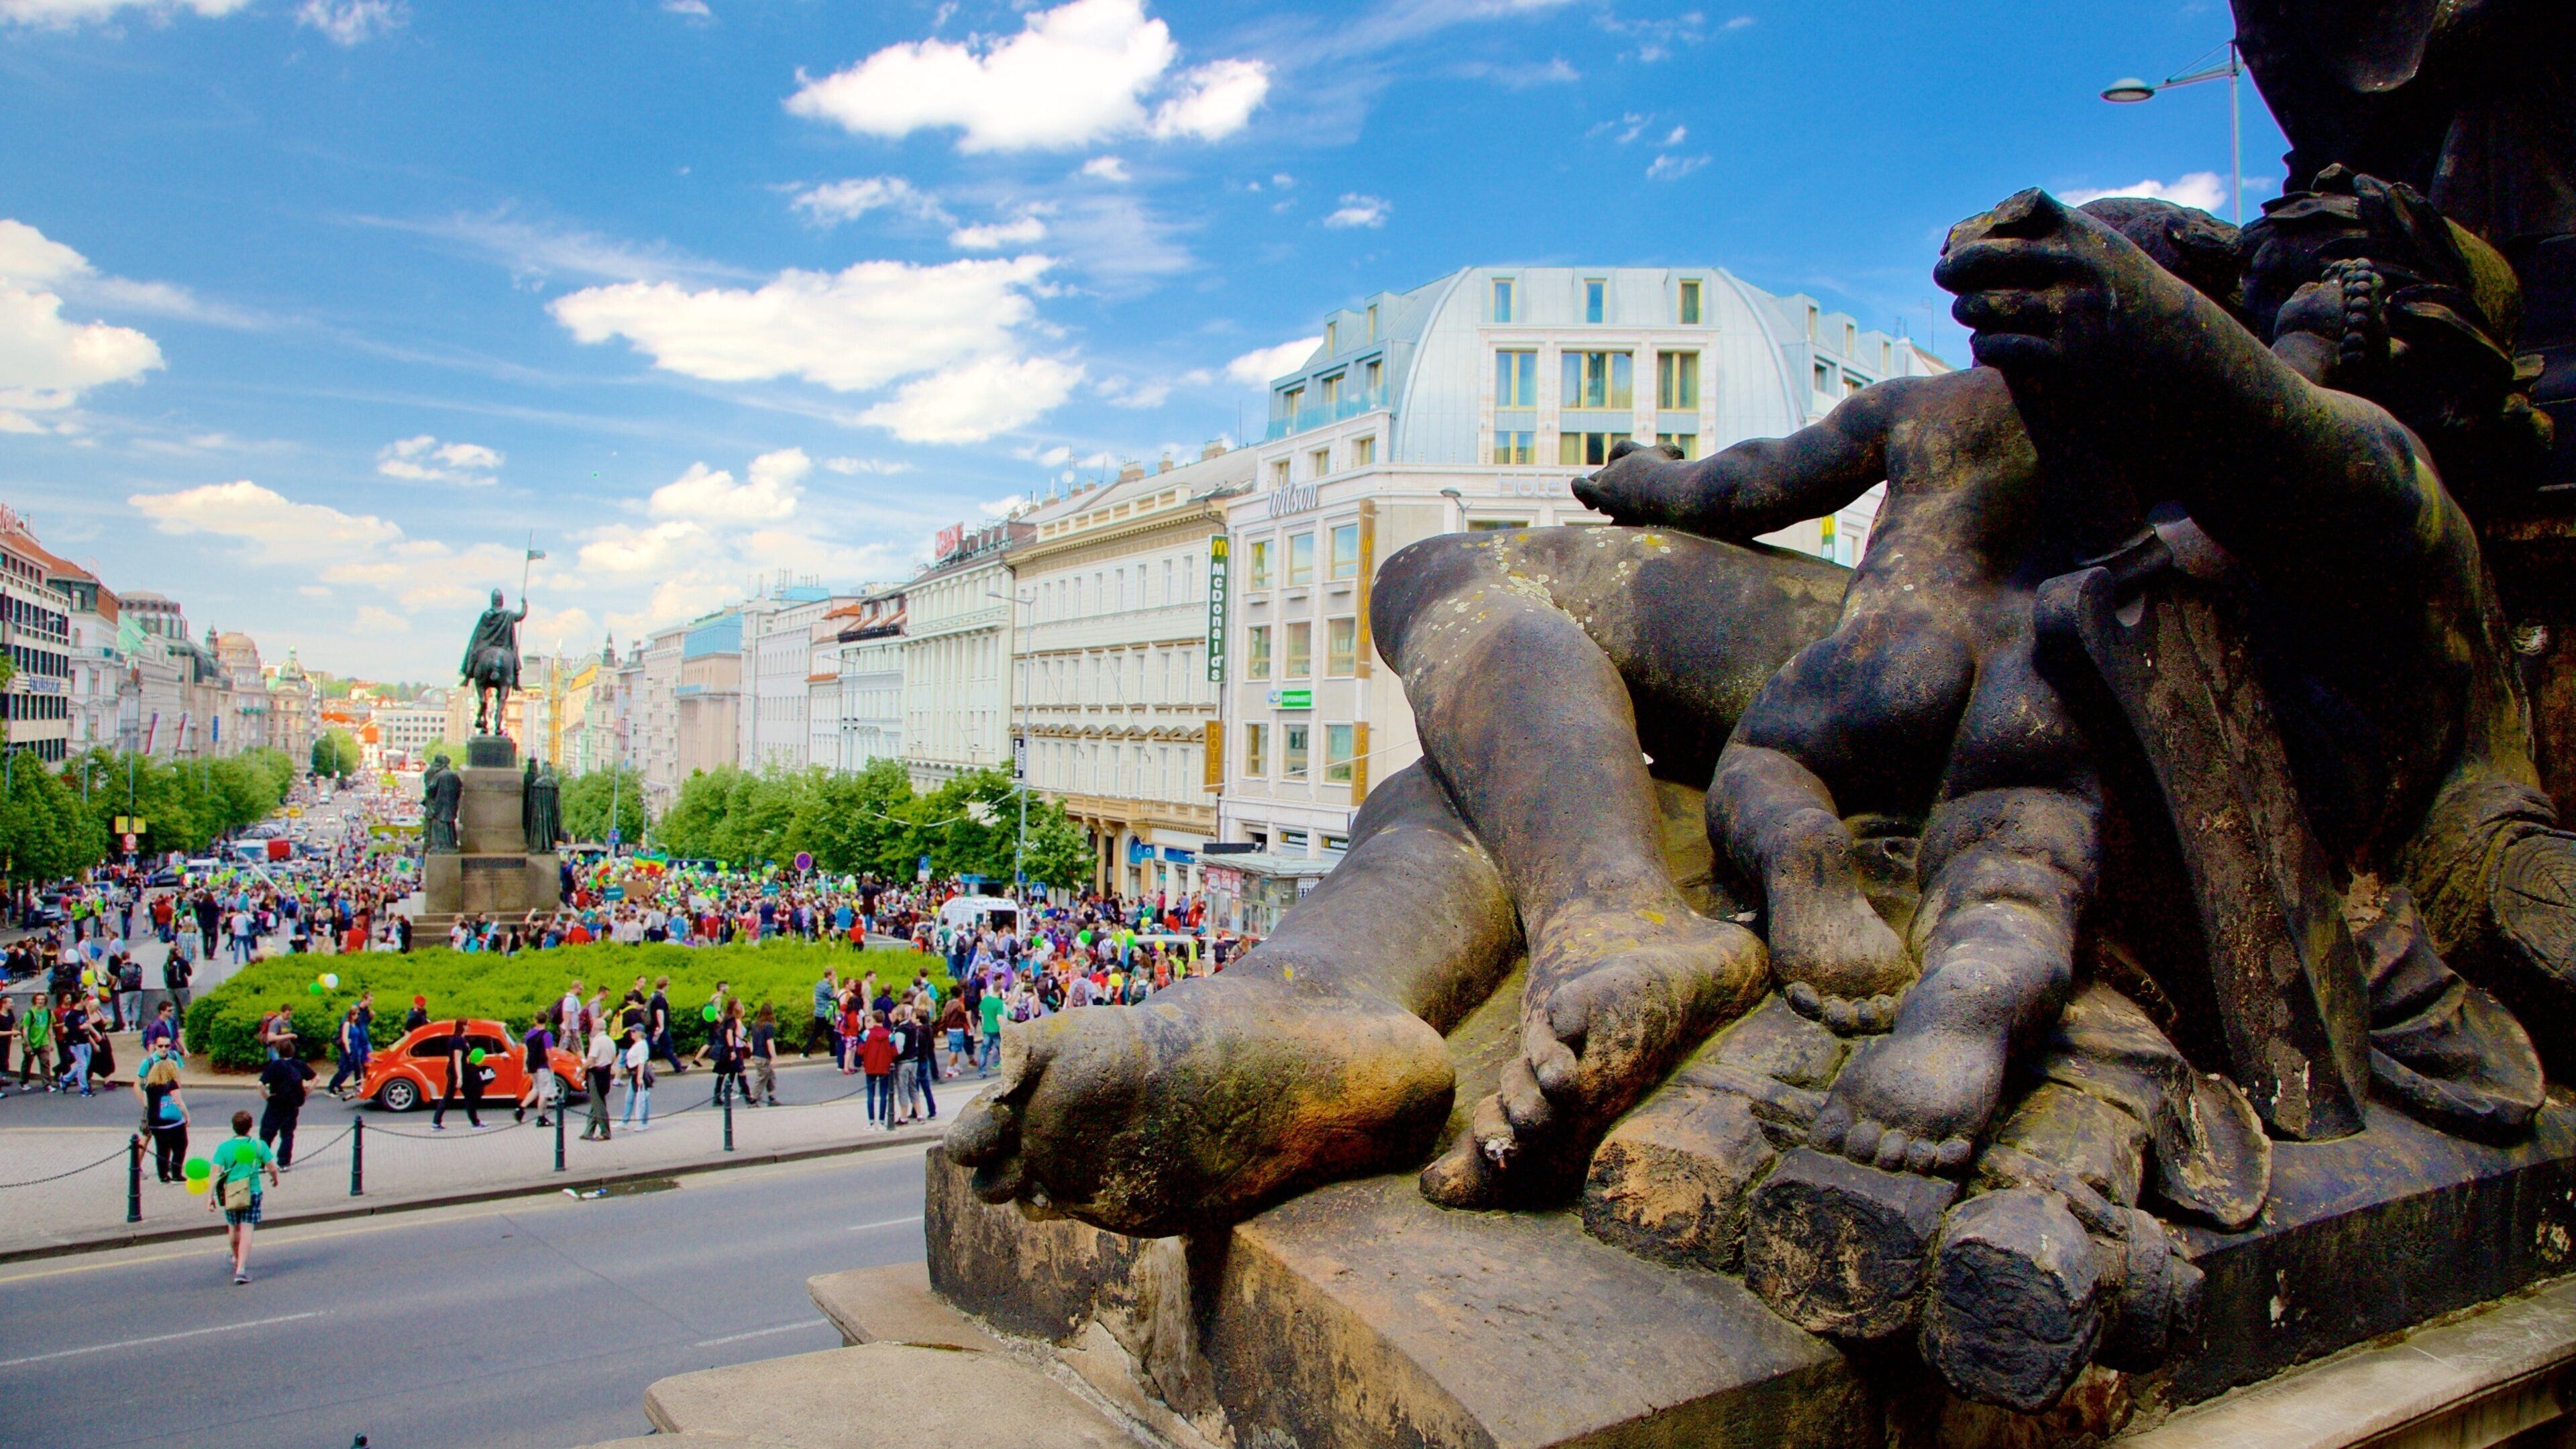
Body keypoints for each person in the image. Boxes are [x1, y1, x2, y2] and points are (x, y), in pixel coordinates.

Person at [209, 1108, 278, 1284]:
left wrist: (209, 1197)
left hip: (230, 1192)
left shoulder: (223, 1147)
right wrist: (274, 1179)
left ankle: (234, 1256)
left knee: (233, 1227)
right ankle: (241, 1270)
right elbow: (272, 1167)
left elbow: (214, 1173)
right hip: (252, 1191)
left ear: (233, 1127)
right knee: (247, 1229)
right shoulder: (258, 1145)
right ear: (250, 1126)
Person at [256, 1044, 313, 1169]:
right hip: (292, 1105)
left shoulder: (275, 1065)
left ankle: (261, 1164)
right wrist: (306, 1093)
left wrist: (267, 1097)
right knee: (287, 1134)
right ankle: (284, 1163)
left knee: (266, 1134)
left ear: (279, 1052)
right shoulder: (298, 1064)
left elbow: (260, 1084)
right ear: (293, 1052)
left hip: (275, 1103)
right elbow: (316, 1078)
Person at [138, 1057, 188, 1182]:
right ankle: (177, 1174)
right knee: (180, 1146)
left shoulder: (149, 1086)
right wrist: (187, 1116)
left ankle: (163, 1176)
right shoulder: (171, 1083)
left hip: (155, 1122)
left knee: (162, 1149)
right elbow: (179, 1102)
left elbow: (146, 1104)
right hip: (172, 1122)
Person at [431, 1019, 484, 1130]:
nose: (469, 1027)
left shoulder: (458, 1039)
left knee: (449, 1097)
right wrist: (460, 1078)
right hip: (459, 1072)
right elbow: (457, 1059)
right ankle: (475, 1123)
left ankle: (436, 1122)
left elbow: (462, 1058)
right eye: (468, 1025)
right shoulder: (459, 1040)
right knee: (469, 1097)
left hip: (458, 1071)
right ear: (463, 1026)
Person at [517, 1012, 557, 1127]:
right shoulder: (547, 1035)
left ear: (535, 1021)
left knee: (536, 1088)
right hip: (543, 1066)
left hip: (532, 1066)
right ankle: (541, 1117)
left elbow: (527, 1051)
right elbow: (548, 1053)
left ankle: (521, 1108)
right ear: (546, 1021)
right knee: (544, 1093)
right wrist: (551, 1067)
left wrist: (525, 1066)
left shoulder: (530, 1034)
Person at [859, 1012, 896, 1130]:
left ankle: (871, 1122)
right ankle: (881, 1121)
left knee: (870, 1095)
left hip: (870, 1066)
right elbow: (894, 1052)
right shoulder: (889, 1035)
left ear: (874, 1020)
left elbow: (860, 1050)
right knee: (883, 1094)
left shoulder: (867, 1034)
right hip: (884, 1067)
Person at [582, 1022, 616, 1142]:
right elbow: (613, 1058)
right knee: (597, 1102)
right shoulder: (609, 1040)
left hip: (596, 1074)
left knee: (598, 1104)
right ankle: (588, 1131)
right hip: (606, 1073)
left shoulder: (597, 1041)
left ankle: (605, 1132)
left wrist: (580, 1071)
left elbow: (591, 1060)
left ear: (595, 1028)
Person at [327, 1004, 369, 1099]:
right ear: (351, 1015)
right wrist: (348, 1051)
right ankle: (331, 1087)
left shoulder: (356, 1025)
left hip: (355, 1049)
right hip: (349, 1050)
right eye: (355, 1014)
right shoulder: (347, 1024)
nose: (357, 1016)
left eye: (358, 1014)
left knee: (357, 1069)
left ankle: (358, 1086)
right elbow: (345, 1038)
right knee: (344, 1070)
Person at [619, 1024, 653, 1132]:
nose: (631, 1033)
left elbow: (641, 1062)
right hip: (634, 1074)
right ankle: (625, 1121)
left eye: (633, 1031)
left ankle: (644, 1122)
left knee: (643, 1098)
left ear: (639, 1033)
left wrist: (639, 1077)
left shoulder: (642, 1045)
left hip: (638, 1074)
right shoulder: (637, 1044)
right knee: (629, 1098)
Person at [748, 1003, 779, 1108]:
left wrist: (752, 1053)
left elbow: (752, 1041)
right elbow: (770, 1043)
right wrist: (774, 1057)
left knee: (770, 1076)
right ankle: (753, 1099)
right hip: (764, 1057)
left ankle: (771, 1097)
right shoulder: (769, 1026)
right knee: (761, 1079)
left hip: (757, 1055)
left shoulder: (755, 1025)